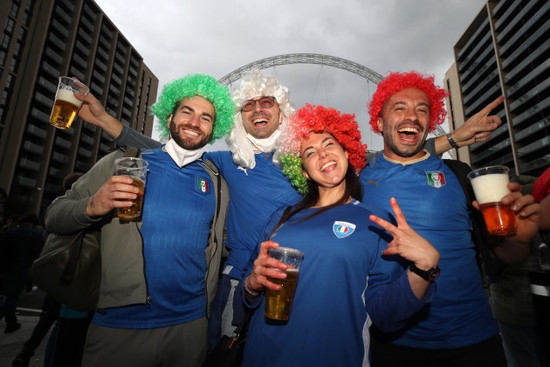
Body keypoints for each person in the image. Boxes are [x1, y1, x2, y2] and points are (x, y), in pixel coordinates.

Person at [82, 69, 504, 345]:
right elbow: (170, 152)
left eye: (269, 103)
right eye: (250, 104)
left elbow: (388, 155)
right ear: (240, 118)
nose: (259, 109)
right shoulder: (224, 163)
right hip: (241, 286)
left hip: (315, 285)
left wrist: (455, 138)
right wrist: (109, 124)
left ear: (283, 114)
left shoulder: (307, 158)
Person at [44, 74, 235, 367]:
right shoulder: (125, 162)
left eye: (205, 117)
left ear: (214, 128)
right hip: (120, 326)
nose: (195, 122)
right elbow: (54, 216)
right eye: (187, 111)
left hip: (190, 329)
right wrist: (94, 206)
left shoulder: (216, 181)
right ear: (169, 117)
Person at [234, 104, 439, 366]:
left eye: (329, 144)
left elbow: (386, 317)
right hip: (261, 357)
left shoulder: (376, 222)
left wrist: (423, 271)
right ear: (305, 172)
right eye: (310, 152)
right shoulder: (281, 217)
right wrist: (252, 282)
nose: (322, 154)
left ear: (346, 151)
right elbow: (246, 297)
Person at [360, 71, 541, 366]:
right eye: (400, 108)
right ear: (379, 123)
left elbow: (503, 255)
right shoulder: (358, 179)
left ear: (429, 123)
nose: (412, 116)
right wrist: (455, 137)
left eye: (422, 110)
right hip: (395, 345)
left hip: (474, 342)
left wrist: (520, 240)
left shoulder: (459, 175)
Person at [0, 213, 45, 333]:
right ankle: (11, 322)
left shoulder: (11, 232)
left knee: (10, 297)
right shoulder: (36, 235)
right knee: (12, 298)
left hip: (6, 268)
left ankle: (11, 322)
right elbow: (40, 253)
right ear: (33, 223)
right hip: (22, 268)